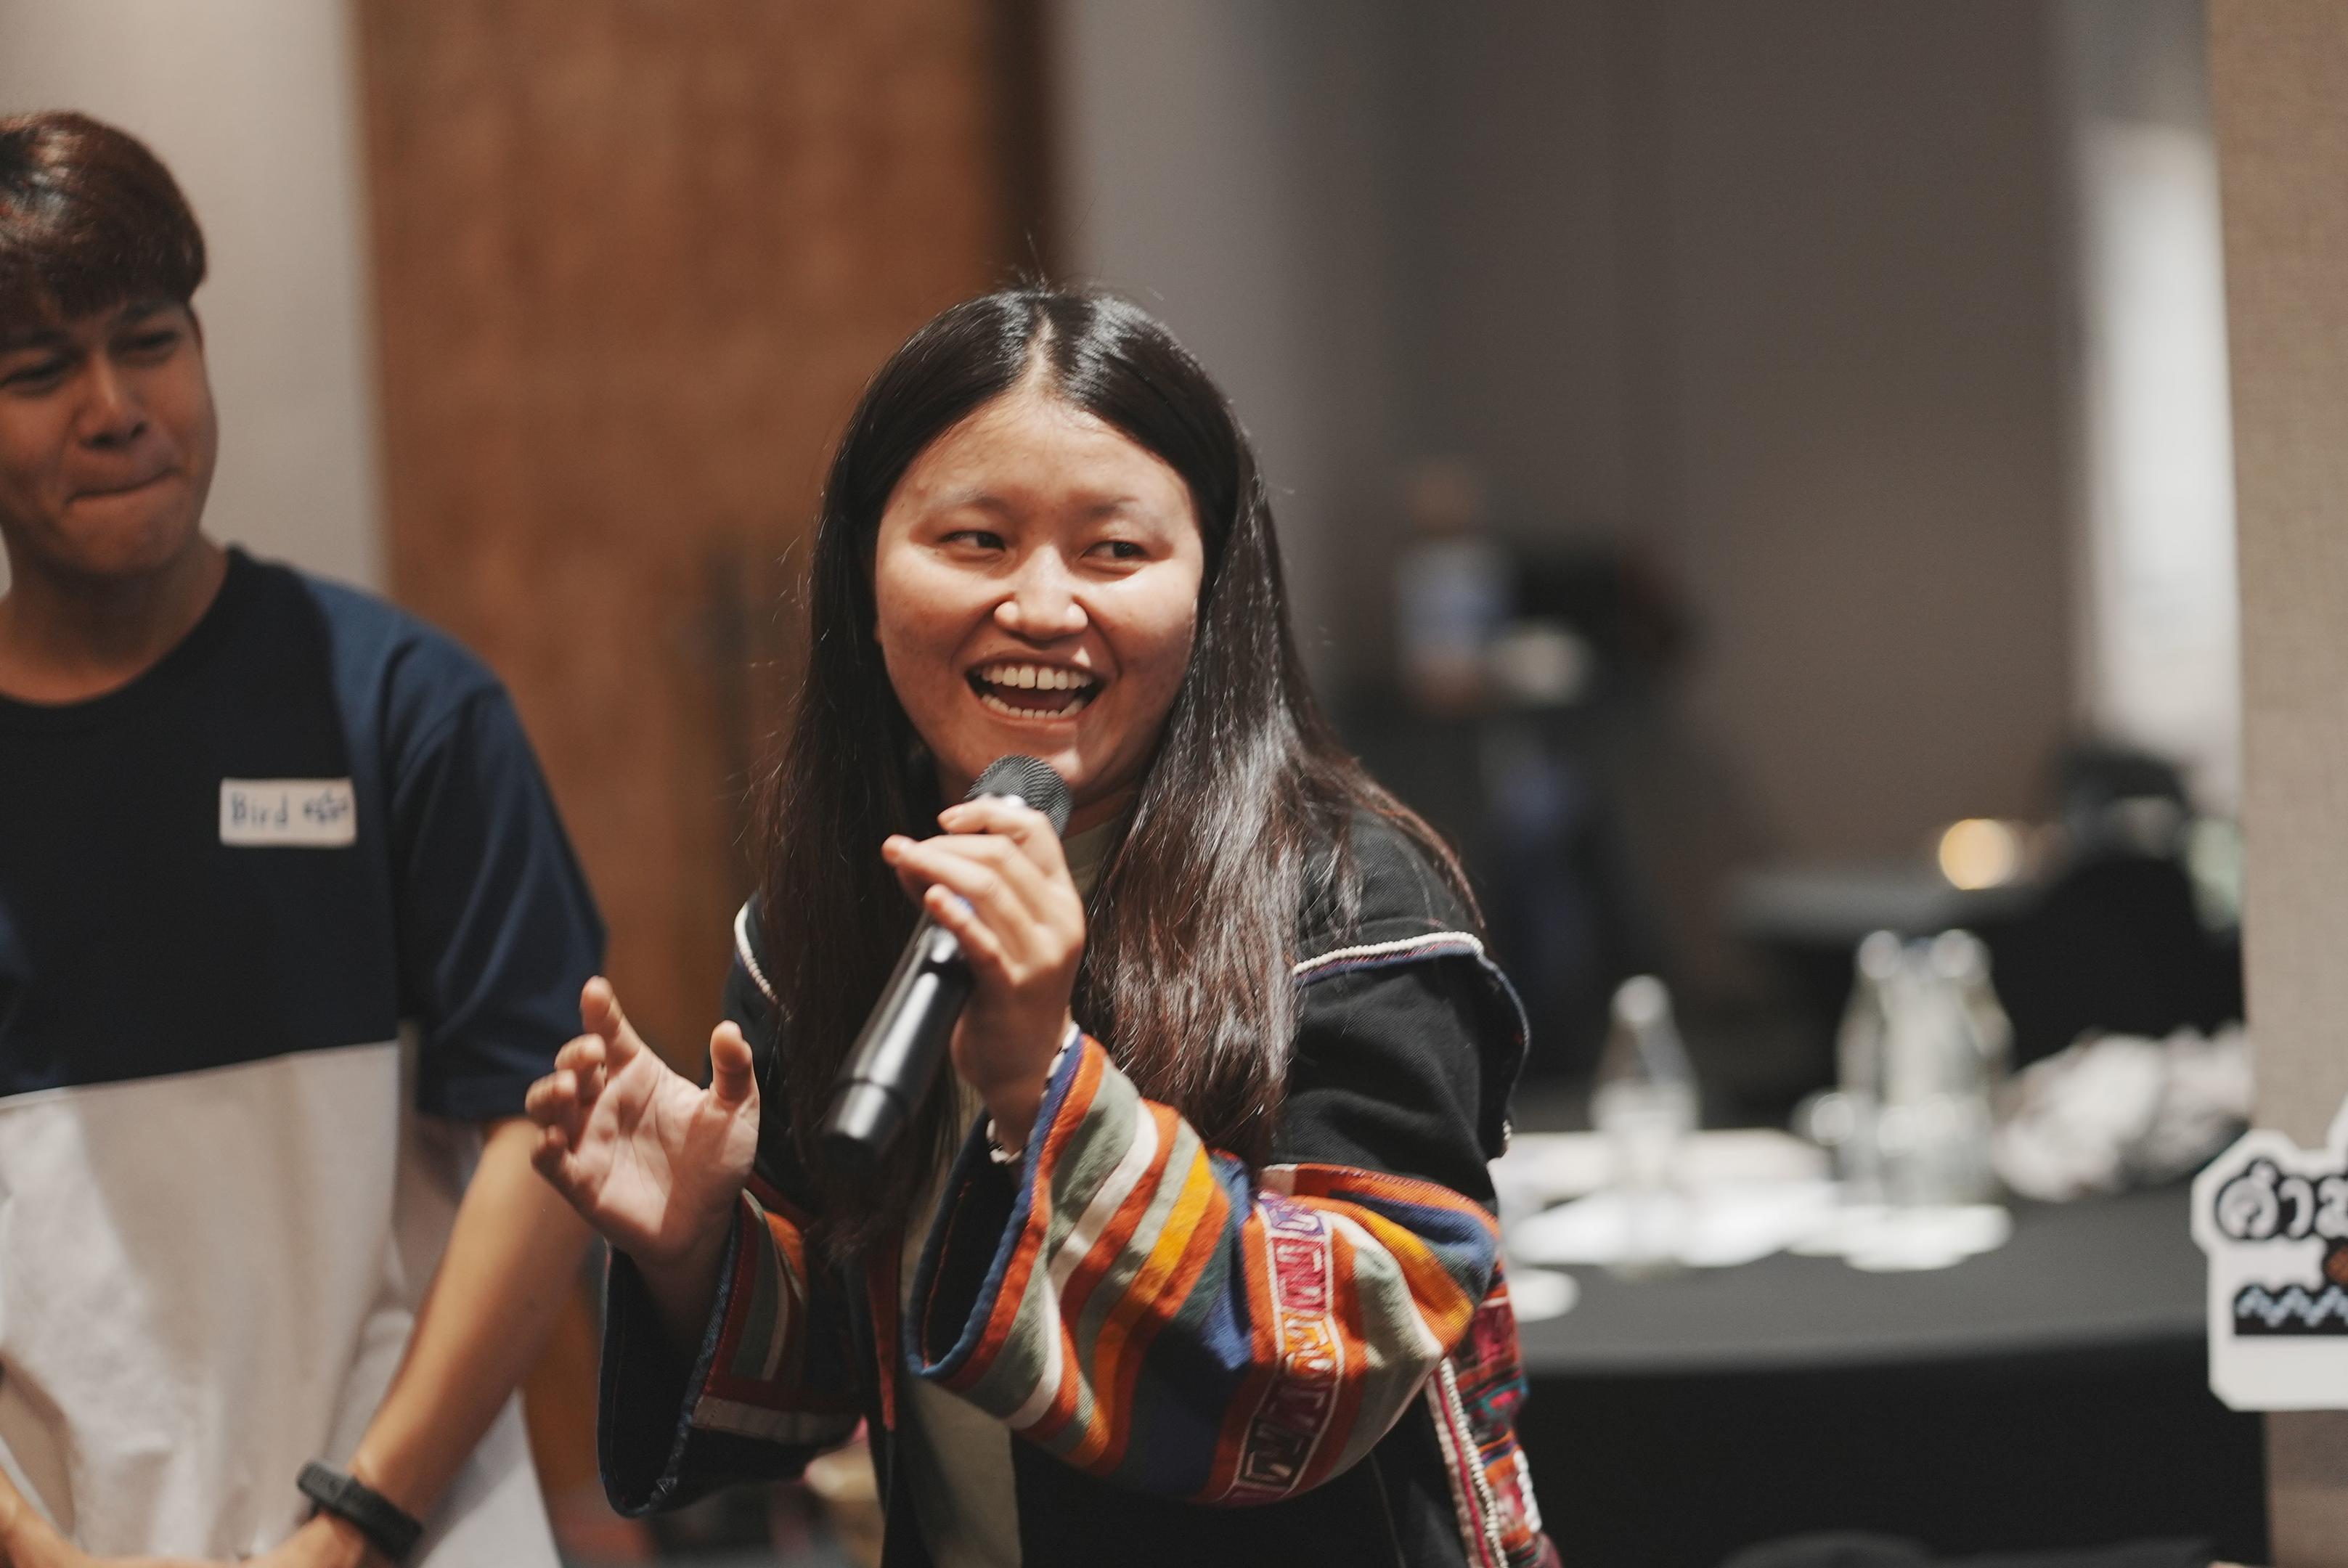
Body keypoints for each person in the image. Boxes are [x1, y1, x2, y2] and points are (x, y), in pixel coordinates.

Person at [526, 287, 1559, 1567]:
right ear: (864, 569)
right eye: (974, 540)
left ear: (1211, 586)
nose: (1042, 606)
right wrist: (695, 1250)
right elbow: (857, 1360)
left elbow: (1343, 1361)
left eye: (1114, 552)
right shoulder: (829, 919)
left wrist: (1044, 1079)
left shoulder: (1356, 900)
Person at [0, 113, 600, 1567]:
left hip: (414, 1531)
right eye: (37, 371)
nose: (114, 408)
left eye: (151, 341)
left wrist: (360, 1522)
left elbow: (548, 1135)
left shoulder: (408, 710)